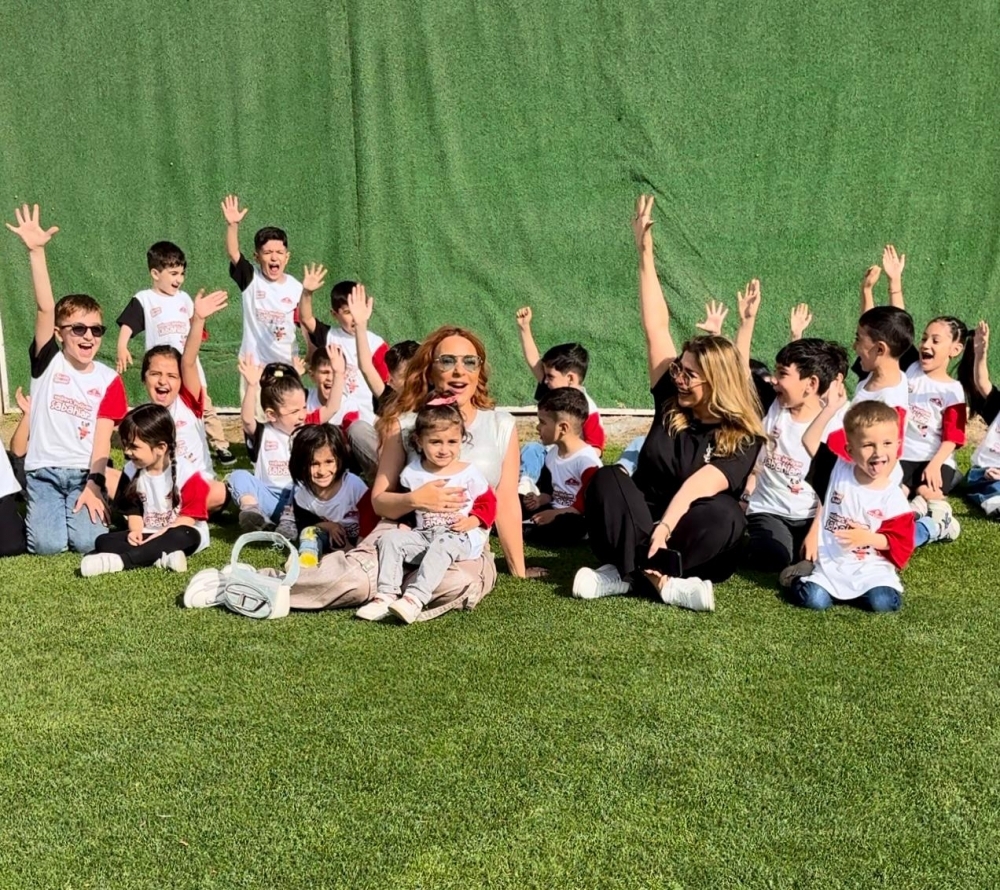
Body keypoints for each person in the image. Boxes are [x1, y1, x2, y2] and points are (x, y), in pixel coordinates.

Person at [184, 325, 543, 619]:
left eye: (469, 361)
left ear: (480, 370)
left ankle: (391, 590)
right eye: (447, 361)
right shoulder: (405, 424)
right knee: (357, 578)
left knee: (457, 582)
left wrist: (518, 569)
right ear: (430, 369)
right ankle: (245, 582)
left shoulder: (501, 425)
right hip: (403, 530)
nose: (459, 370)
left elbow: (506, 502)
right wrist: (416, 499)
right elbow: (381, 500)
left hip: (460, 545)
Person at [571, 195, 764, 611]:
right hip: (643, 517)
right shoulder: (671, 399)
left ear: (717, 382)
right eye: (678, 368)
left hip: (689, 527)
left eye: (689, 374)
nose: (678, 377)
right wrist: (644, 253)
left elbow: (698, 487)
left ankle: (624, 573)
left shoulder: (743, 434)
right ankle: (663, 583)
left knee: (726, 516)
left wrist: (665, 529)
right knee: (608, 479)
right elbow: (655, 326)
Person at [7, 204, 129, 555]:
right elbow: (45, 308)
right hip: (43, 474)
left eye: (96, 330)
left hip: (83, 474)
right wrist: (36, 252)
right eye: (78, 329)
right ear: (59, 334)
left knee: (89, 542)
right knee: (48, 546)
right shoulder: (48, 362)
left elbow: (103, 443)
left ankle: (113, 500)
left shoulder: (109, 379)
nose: (88, 336)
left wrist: (94, 483)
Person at [358, 398, 497, 624]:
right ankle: (385, 595)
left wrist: (472, 522)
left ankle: (414, 598)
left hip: (458, 536)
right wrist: (406, 524)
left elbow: (489, 502)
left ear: (462, 440)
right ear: (419, 441)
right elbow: (410, 506)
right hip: (425, 535)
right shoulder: (412, 473)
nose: (444, 449)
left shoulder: (468, 473)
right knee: (390, 539)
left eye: (452, 442)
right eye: (435, 442)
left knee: (443, 543)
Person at [787, 400, 914, 612]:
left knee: (882, 602)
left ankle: (863, 593)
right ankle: (799, 576)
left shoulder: (894, 497)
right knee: (815, 600)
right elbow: (809, 440)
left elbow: (901, 541)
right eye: (868, 445)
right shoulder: (837, 471)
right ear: (850, 450)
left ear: (898, 445)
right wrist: (830, 408)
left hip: (872, 570)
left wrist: (866, 538)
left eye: (887, 443)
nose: (878, 452)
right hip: (832, 564)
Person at [115, 240, 233, 465]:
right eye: (173, 273)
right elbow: (129, 324)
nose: (179, 279)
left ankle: (220, 445)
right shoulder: (144, 299)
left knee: (204, 405)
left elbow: (195, 327)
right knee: (162, 410)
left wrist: (199, 318)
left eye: (181, 274)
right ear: (155, 273)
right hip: (163, 370)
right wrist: (122, 345)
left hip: (188, 367)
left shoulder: (185, 299)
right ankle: (162, 445)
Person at [743, 338, 849, 573]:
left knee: (831, 557)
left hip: (812, 517)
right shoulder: (772, 405)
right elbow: (740, 374)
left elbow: (833, 487)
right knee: (772, 556)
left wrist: (815, 531)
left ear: (811, 384)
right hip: (768, 509)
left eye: (782, 374)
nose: (774, 380)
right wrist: (746, 324)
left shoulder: (834, 426)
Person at [80, 404, 211, 577]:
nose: (127, 452)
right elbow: (133, 512)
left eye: (134, 446)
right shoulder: (130, 471)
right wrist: (135, 531)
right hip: (147, 533)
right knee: (103, 541)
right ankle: (160, 557)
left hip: (180, 531)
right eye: (126, 445)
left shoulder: (189, 474)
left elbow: (187, 521)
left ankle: (121, 562)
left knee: (183, 535)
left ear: (161, 448)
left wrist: (157, 538)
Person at [227, 351, 341, 536]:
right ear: (271, 414)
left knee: (300, 480)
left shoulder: (306, 429)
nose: (302, 415)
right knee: (237, 476)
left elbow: (332, 407)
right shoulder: (263, 431)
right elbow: (247, 420)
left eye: (304, 408)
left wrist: (339, 373)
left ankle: (289, 522)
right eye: (295, 411)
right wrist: (252, 385)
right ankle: (252, 512)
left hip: (299, 500)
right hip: (267, 497)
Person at [138, 288, 230, 512]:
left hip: (197, 490)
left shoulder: (189, 403)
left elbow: (188, 361)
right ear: (144, 378)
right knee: (111, 479)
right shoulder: (141, 418)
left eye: (171, 376)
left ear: (181, 381)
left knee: (221, 491)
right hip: (158, 491)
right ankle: (161, 509)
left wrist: (198, 320)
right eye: (155, 374)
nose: (163, 381)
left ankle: (172, 511)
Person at [299, 276, 389, 479]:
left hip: (367, 424)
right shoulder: (330, 336)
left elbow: (386, 390)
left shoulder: (376, 344)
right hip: (336, 421)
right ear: (335, 314)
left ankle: (383, 481)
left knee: (360, 437)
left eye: (358, 310)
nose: (354, 318)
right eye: (348, 312)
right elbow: (306, 319)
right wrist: (307, 293)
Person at [221, 194, 302, 367]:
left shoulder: (296, 287)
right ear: (257, 257)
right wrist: (232, 225)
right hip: (253, 366)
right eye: (267, 253)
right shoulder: (251, 278)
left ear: (287, 257)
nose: (274, 258)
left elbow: (305, 322)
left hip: (287, 365)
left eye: (279, 253)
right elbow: (233, 253)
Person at [521, 387, 602, 547]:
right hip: (554, 508)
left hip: (576, 516)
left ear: (563, 428)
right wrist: (539, 500)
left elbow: (587, 502)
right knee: (518, 503)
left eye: (542, 422)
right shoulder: (552, 455)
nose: (538, 427)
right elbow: (550, 491)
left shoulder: (586, 460)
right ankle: (522, 525)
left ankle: (525, 529)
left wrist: (555, 514)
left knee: (569, 526)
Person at [289, 423, 370, 565]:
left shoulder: (353, 486)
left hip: (361, 539)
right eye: (314, 464)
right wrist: (329, 526)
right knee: (309, 533)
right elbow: (304, 524)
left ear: (340, 459)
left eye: (329, 462)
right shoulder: (302, 495)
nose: (322, 471)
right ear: (300, 464)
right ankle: (307, 562)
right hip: (329, 538)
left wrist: (356, 547)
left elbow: (370, 518)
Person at [346, 285, 417, 417]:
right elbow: (366, 367)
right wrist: (360, 325)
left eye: (417, 372)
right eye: (404, 376)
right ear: (391, 382)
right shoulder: (390, 401)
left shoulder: (435, 397)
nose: (413, 380)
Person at [963, 321, 1000, 518]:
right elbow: (981, 382)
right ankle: (995, 503)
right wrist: (980, 353)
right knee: (991, 484)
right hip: (984, 471)